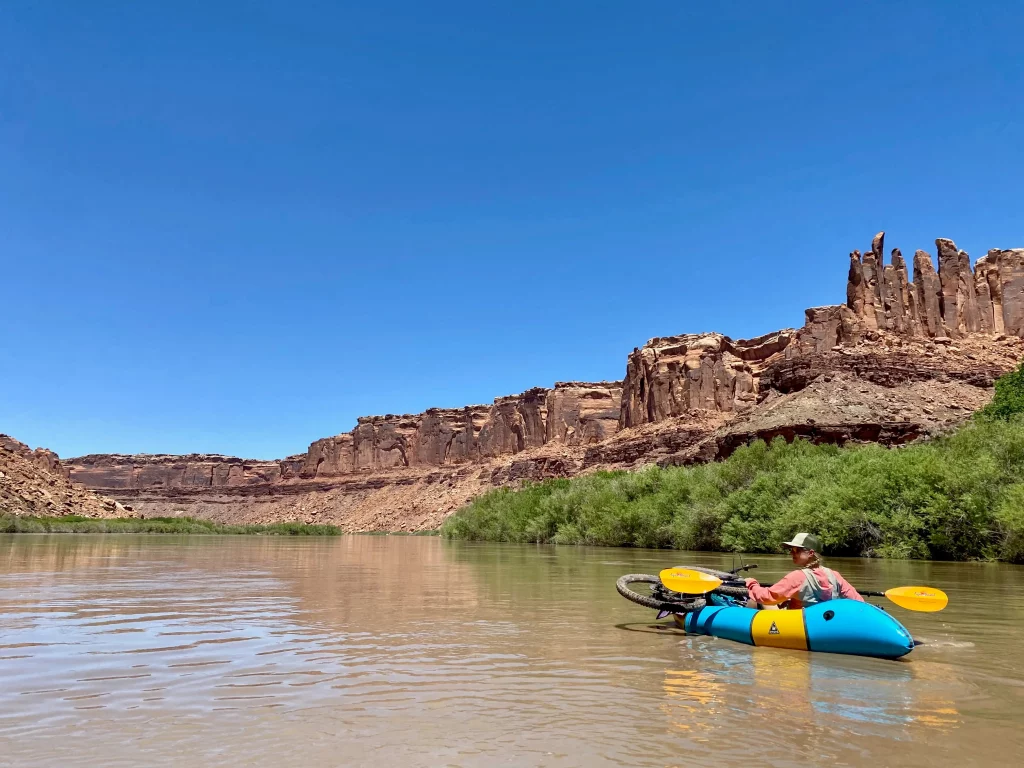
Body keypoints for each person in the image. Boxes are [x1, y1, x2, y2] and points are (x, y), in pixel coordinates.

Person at [743, 532, 864, 609]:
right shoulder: (834, 575)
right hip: (825, 623)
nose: (792, 553)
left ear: (810, 553)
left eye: (796, 550)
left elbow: (766, 597)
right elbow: (858, 601)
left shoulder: (797, 577)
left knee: (755, 600)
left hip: (800, 625)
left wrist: (752, 584)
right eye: (791, 549)